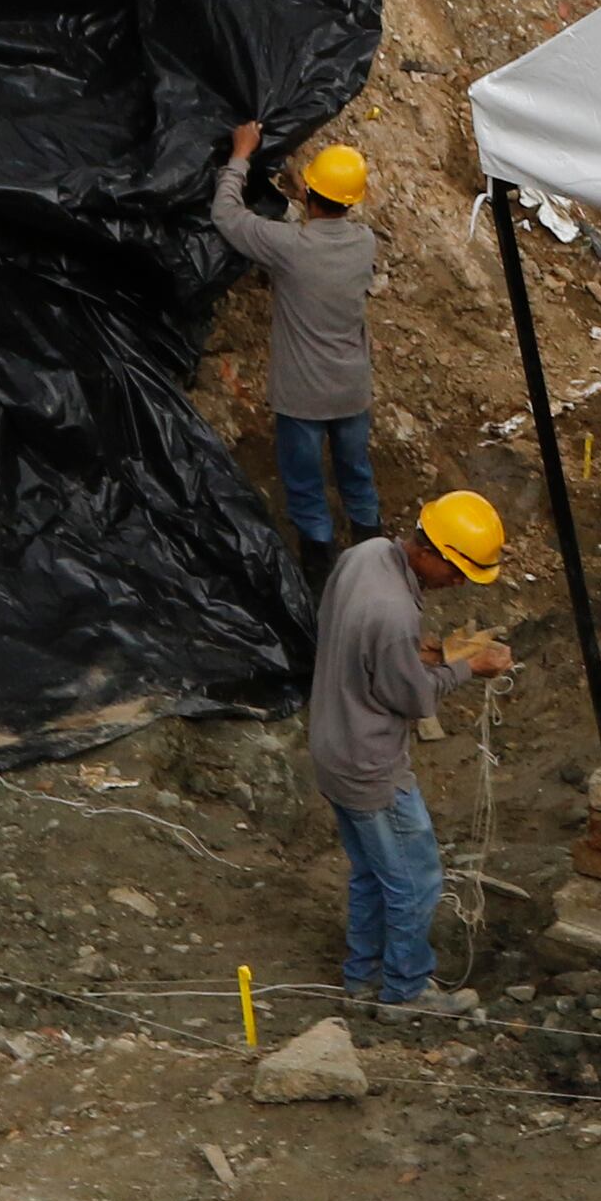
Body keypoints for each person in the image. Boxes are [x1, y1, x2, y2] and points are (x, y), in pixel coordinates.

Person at [311, 487, 516, 1020]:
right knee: (416, 879)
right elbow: (414, 699)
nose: (459, 583)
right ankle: (405, 992)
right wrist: (469, 667)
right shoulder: (394, 612)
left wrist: (418, 653)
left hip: (331, 743)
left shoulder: (365, 556)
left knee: (370, 872)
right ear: (430, 552)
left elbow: (357, 641)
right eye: (458, 572)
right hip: (370, 764)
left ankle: (363, 978)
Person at [215, 121, 380, 584]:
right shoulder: (364, 243)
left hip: (302, 398)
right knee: (357, 475)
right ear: (352, 201)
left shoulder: (288, 247)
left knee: (306, 488)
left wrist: (240, 155)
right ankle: (374, 559)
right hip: (351, 390)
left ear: (309, 193)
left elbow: (226, 216)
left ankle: (320, 573)